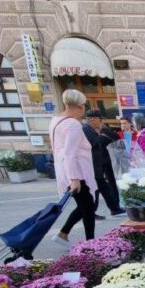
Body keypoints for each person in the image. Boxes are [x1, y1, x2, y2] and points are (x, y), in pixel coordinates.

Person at [50, 90, 98, 245]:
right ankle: (90, 243)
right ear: (79, 106)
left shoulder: (56, 120)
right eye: (84, 105)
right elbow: (70, 152)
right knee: (88, 208)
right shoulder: (72, 124)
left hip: (68, 171)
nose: (84, 109)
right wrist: (74, 178)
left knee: (86, 206)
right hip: (77, 172)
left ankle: (63, 233)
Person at [83, 109, 125, 218]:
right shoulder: (86, 129)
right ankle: (93, 212)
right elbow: (95, 144)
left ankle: (114, 209)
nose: (100, 122)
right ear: (93, 119)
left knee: (102, 187)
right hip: (94, 163)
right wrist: (102, 136)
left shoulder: (91, 129)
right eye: (99, 120)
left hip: (99, 163)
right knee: (96, 188)